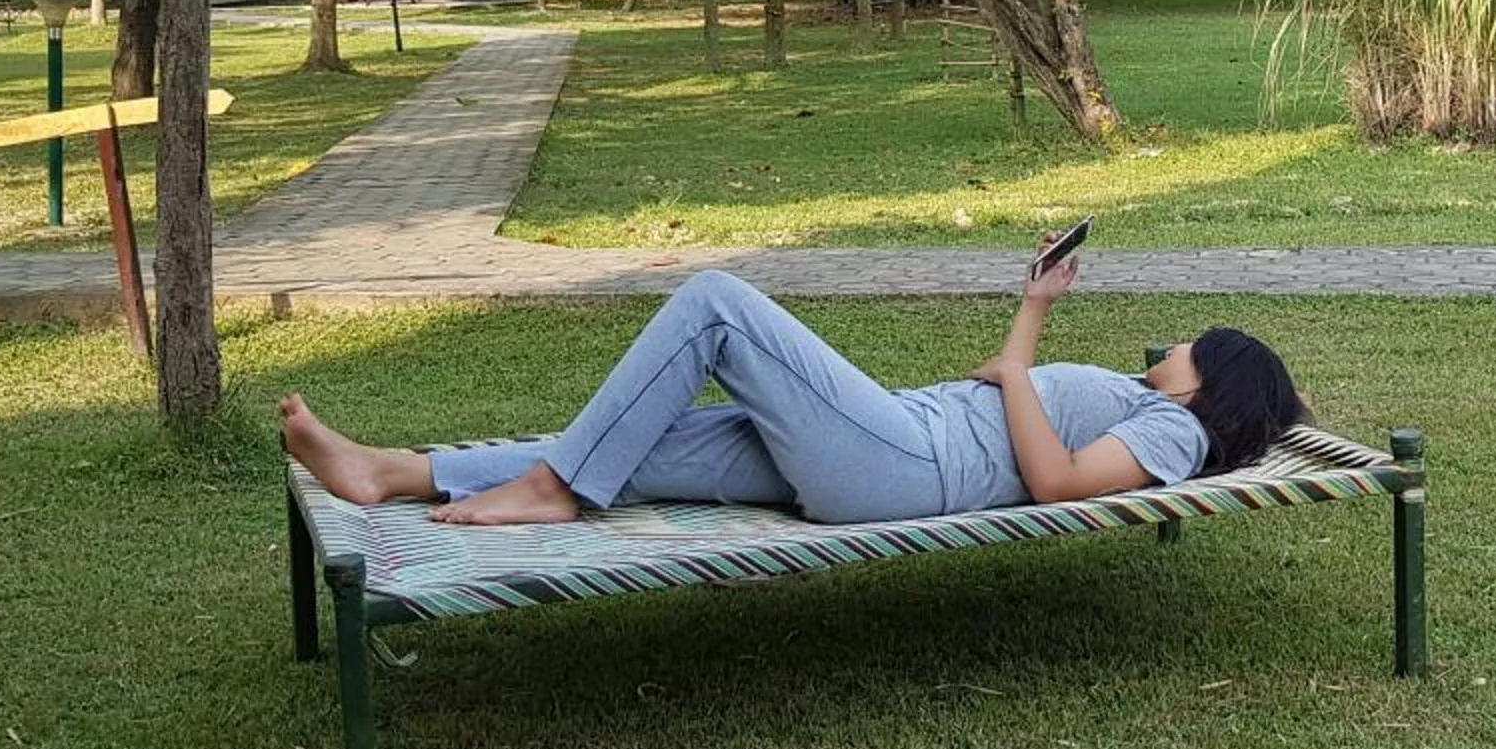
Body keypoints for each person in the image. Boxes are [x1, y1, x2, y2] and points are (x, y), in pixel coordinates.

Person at [280, 255, 1306, 526]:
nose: (1170, 345)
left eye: (1188, 347)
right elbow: (1025, 411)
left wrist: (1017, 378)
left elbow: (1056, 483)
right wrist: (1032, 310)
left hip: (905, 465)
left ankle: (551, 491)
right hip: (895, 441)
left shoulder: (1173, 435)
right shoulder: (1143, 400)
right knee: (639, 447)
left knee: (716, 303)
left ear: (1207, 384)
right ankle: (392, 473)